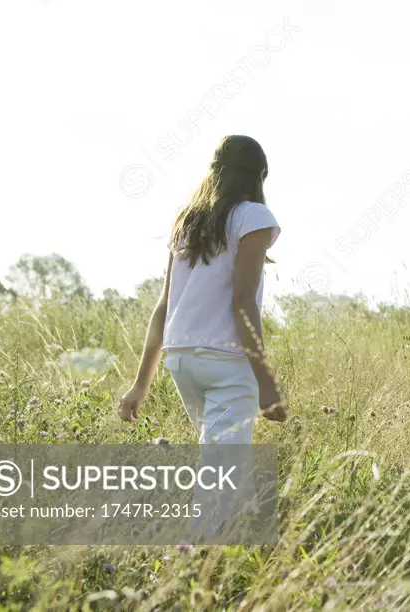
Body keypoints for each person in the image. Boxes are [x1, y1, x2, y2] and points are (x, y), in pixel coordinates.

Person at [117, 136, 288, 540]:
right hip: (226, 362)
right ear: (259, 176)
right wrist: (266, 382)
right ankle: (192, 561)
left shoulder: (187, 220)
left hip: (181, 360)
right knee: (220, 478)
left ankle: (250, 547)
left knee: (223, 464)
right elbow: (243, 302)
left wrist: (140, 384)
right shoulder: (254, 216)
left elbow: (163, 304)